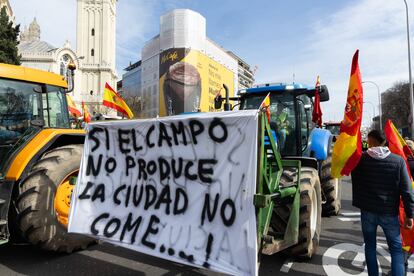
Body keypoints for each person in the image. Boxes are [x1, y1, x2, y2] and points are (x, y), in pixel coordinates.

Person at [351, 130, 414, 276]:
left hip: (367, 212)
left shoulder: (361, 160)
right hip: (389, 213)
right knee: (396, 249)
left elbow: (351, 173)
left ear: (370, 141)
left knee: (370, 247)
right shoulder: (398, 161)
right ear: (384, 141)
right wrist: (410, 215)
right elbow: (407, 191)